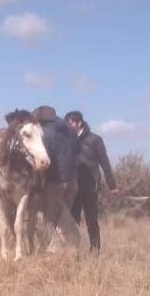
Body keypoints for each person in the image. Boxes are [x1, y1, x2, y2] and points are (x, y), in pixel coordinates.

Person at [65, 111, 119, 252]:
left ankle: (95, 251)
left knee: (92, 222)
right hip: (73, 188)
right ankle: (73, 251)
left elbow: (105, 163)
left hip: (90, 187)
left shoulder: (95, 140)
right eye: (69, 123)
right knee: (72, 222)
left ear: (79, 122)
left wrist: (112, 185)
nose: (71, 125)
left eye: (73, 122)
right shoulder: (66, 140)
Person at [32, 105, 81, 251]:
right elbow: (77, 154)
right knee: (63, 217)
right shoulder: (71, 131)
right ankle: (66, 251)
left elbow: (43, 160)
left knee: (52, 220)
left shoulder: (44, 133)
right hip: (72, 182)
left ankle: (53, 253)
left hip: (55, 182)